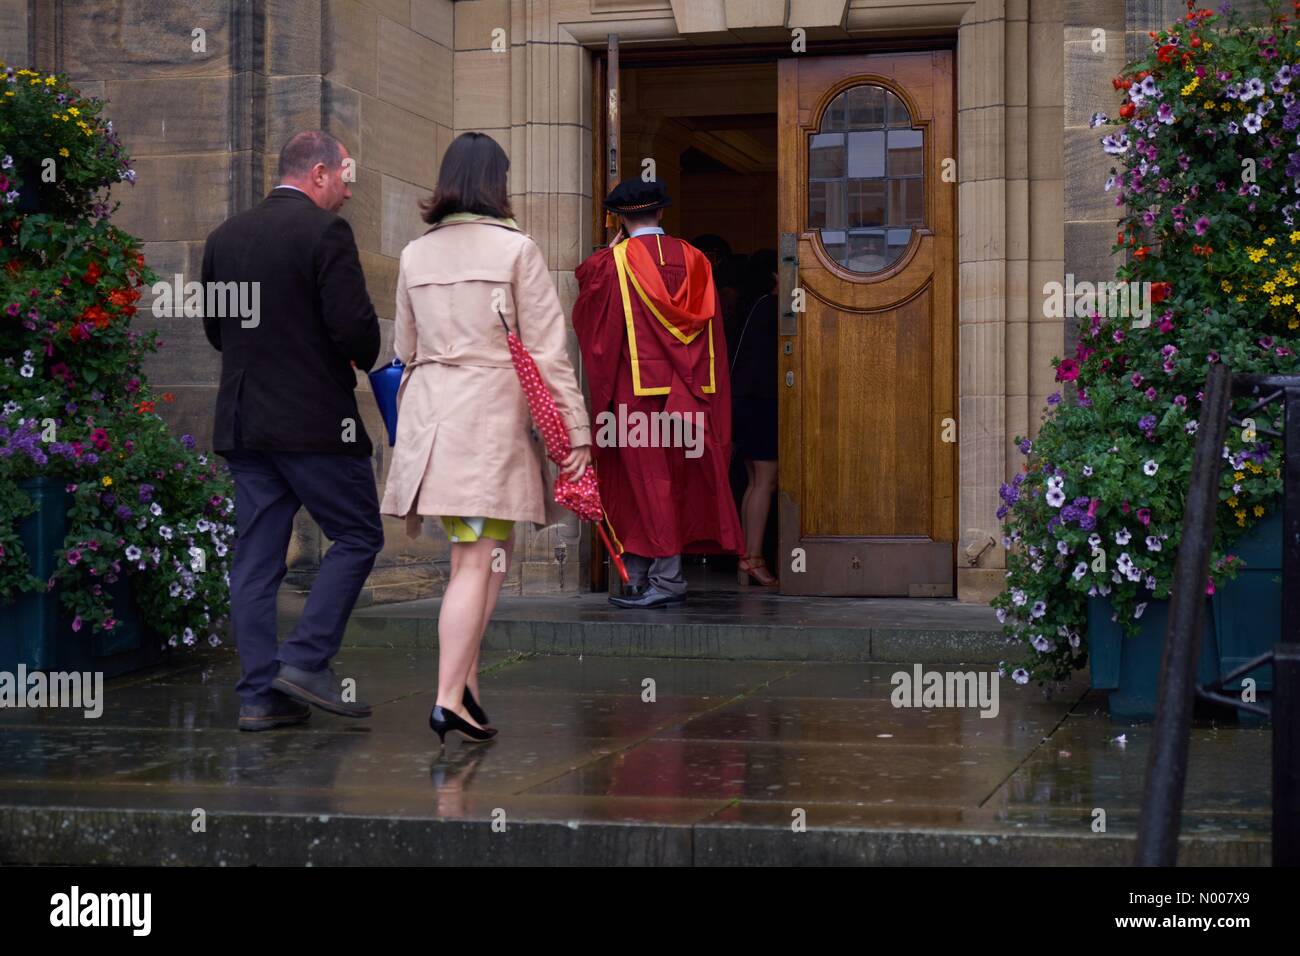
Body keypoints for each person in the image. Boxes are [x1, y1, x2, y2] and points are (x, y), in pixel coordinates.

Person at [379, 132, 591, 743]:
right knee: (478, 563)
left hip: (430, 424)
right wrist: (575, 436)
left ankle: (467, 690)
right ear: (495, 183)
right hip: (487, 423)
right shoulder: (516, 250)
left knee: (474, 560)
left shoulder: (416, 254)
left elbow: (404, 353)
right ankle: (447, 698)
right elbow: (550, 355)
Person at [202, 130, 384, 732]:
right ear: (320, 174)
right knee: (357, 533)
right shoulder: (324, 233)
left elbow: (215, 330)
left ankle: (259, 696)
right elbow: (357, 331)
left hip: (244, 421)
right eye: (345, 180)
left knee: (255, 562)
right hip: (312, 423)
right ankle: (305, 660)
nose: (348, 194)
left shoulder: (224, 237)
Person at [573, 178, 744, 608]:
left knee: (644, 482)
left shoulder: (614, 262)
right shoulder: (697, 259)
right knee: (672, 481)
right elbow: (714, 335)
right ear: (662, 213)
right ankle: (644, 573)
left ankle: (665, 580)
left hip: (638, 391)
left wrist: (609, 250)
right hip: (691, 389)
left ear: (619, 218)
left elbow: (593, 314)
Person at [730, 249, 779, 586]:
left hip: (745, 401)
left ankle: (746, 556)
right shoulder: (773, 307)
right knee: (766, 481)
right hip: (762, 401)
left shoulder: (755, 305)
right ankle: (754, 558)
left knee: (753, 481)